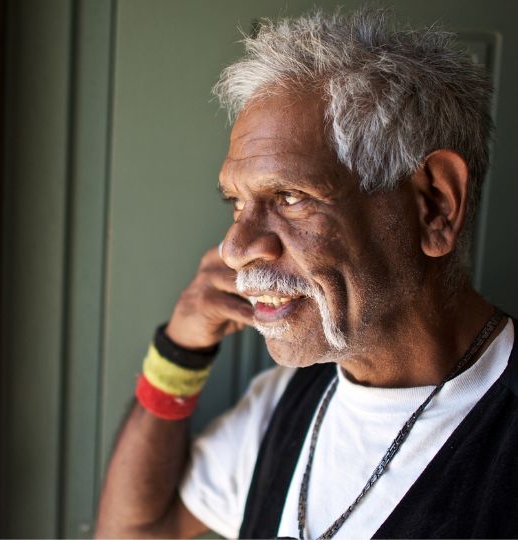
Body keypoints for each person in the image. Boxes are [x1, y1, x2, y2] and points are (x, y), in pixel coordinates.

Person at [94, 6, 518, 539]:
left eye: (291, 197)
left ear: (434, 205)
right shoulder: (284, 402)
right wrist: (178, 355)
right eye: (237, 204)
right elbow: (133, 531)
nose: (236, 247)